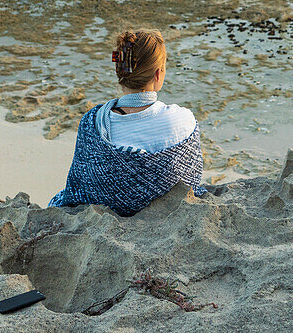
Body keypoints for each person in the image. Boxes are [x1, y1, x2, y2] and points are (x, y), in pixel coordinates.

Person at [49, 29, 205, 216]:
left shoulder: (93, 122)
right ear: (158, 74)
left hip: (106, 207)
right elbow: (191, 178)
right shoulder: (184, 121)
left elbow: (81, 183)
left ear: (120, 71)